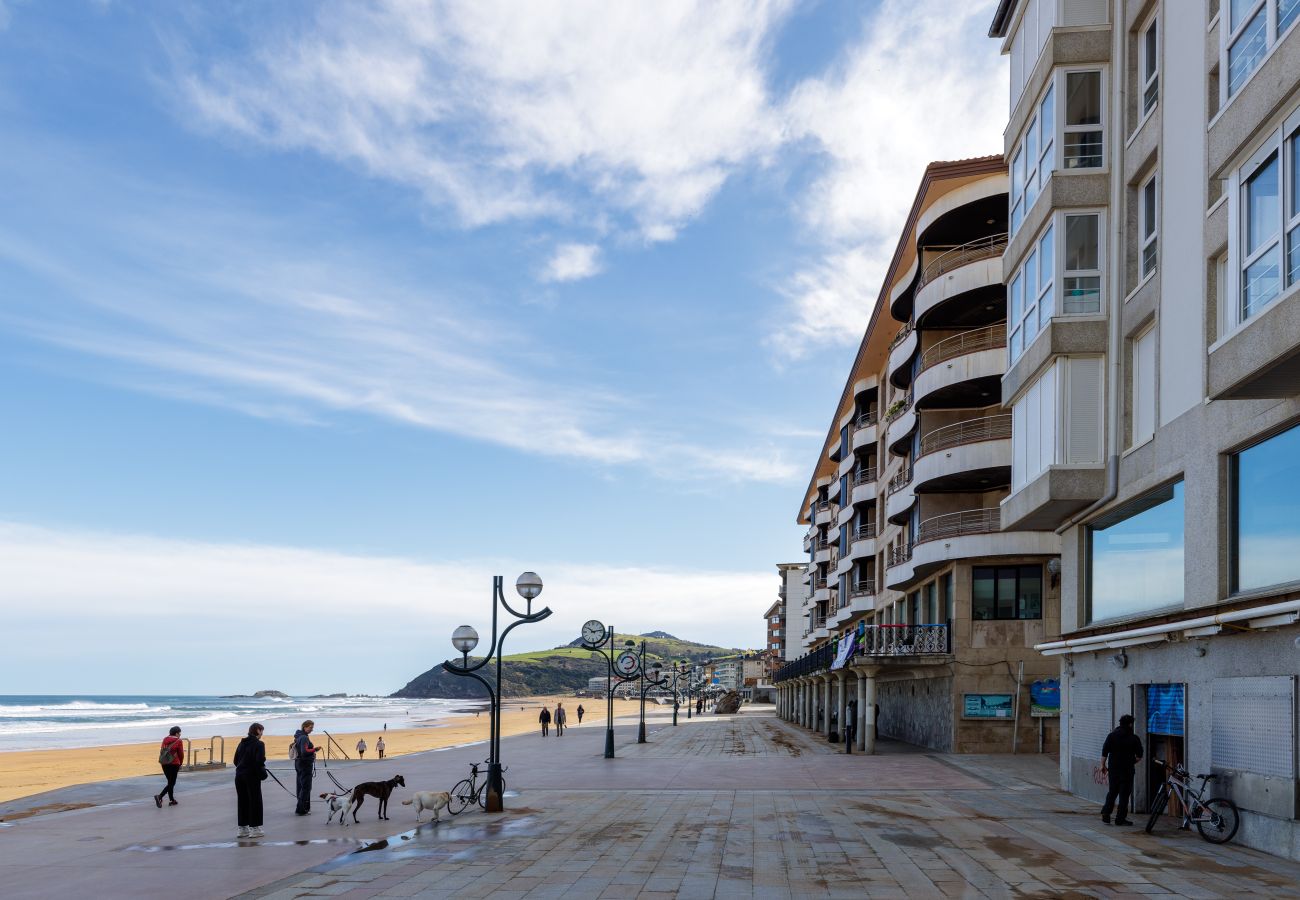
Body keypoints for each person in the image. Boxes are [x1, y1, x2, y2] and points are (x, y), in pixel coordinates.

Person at [1101, 714, 1144, 826]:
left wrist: (1102, 765)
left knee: (1112, 791)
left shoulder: (1111, 736)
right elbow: (1139, 756)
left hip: (1114, 770)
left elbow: (1105, 752)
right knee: (1124, 795)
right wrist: (1131, 761)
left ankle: (1106, 813)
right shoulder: (1134, 738)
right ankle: (1120, 819)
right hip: (1127, 770)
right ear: (1130, 724)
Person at [234, 722, 267, 839]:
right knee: (255, 800)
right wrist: (262, 774)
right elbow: (259, 761)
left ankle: (242, 829)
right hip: (252, 776)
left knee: (242, 801)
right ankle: (255, 828)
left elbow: (235, 760)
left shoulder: (241, 743)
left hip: (239, 775)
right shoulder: (259, 744)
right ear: (258, 730)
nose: (262, 733)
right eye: (262, 731)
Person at [293, 720, 321, 815]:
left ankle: (303, 808)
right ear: (304, 727)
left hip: (299, 763)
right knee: (306, 787)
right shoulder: (304, 737)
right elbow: (304, 752)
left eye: (312, 728)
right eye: (310, 728)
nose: (311, 730)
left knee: (300, 786)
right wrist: (315, 749)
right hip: (305, 764)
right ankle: (301, 809)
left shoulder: (299, 736)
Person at [154, 726, 184, 807]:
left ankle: (172, 800)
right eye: (179, 733)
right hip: (174, 764)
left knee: (170, 782)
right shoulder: (178, 741)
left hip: (164, 763)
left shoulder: (165, 739)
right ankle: (159, 796)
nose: (180, 734)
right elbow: (181, 754)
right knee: (172, 783)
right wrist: (180, 763)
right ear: (176, 733)